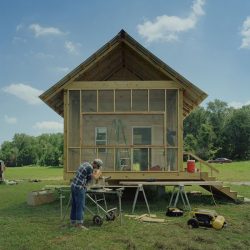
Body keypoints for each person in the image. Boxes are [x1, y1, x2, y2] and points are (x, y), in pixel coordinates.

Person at [70, 158, 103, 229]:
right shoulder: (90, 168)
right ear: (96, 165)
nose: (97, 168)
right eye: (98, 167)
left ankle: (73, 222)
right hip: (79, 188)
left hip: (73, 186)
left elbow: (86, 179)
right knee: (80, 206)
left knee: (75, 205)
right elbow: (93, 178)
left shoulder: (85, 164)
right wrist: (98, 174)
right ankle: (79, 225)